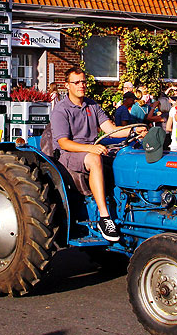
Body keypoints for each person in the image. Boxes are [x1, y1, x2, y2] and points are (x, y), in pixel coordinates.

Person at [50, 67, 145, 242]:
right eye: (76, 82)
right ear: (67, 85)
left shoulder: (92, 105)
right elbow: (63, 142)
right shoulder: (61, 110)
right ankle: (104, 217)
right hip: (69, 154)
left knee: (126, 154)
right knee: (95, 158)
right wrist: (89, 149)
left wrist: (134, 130)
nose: (81, 85)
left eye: (83, 82)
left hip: (90, 149)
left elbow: (111, 130)